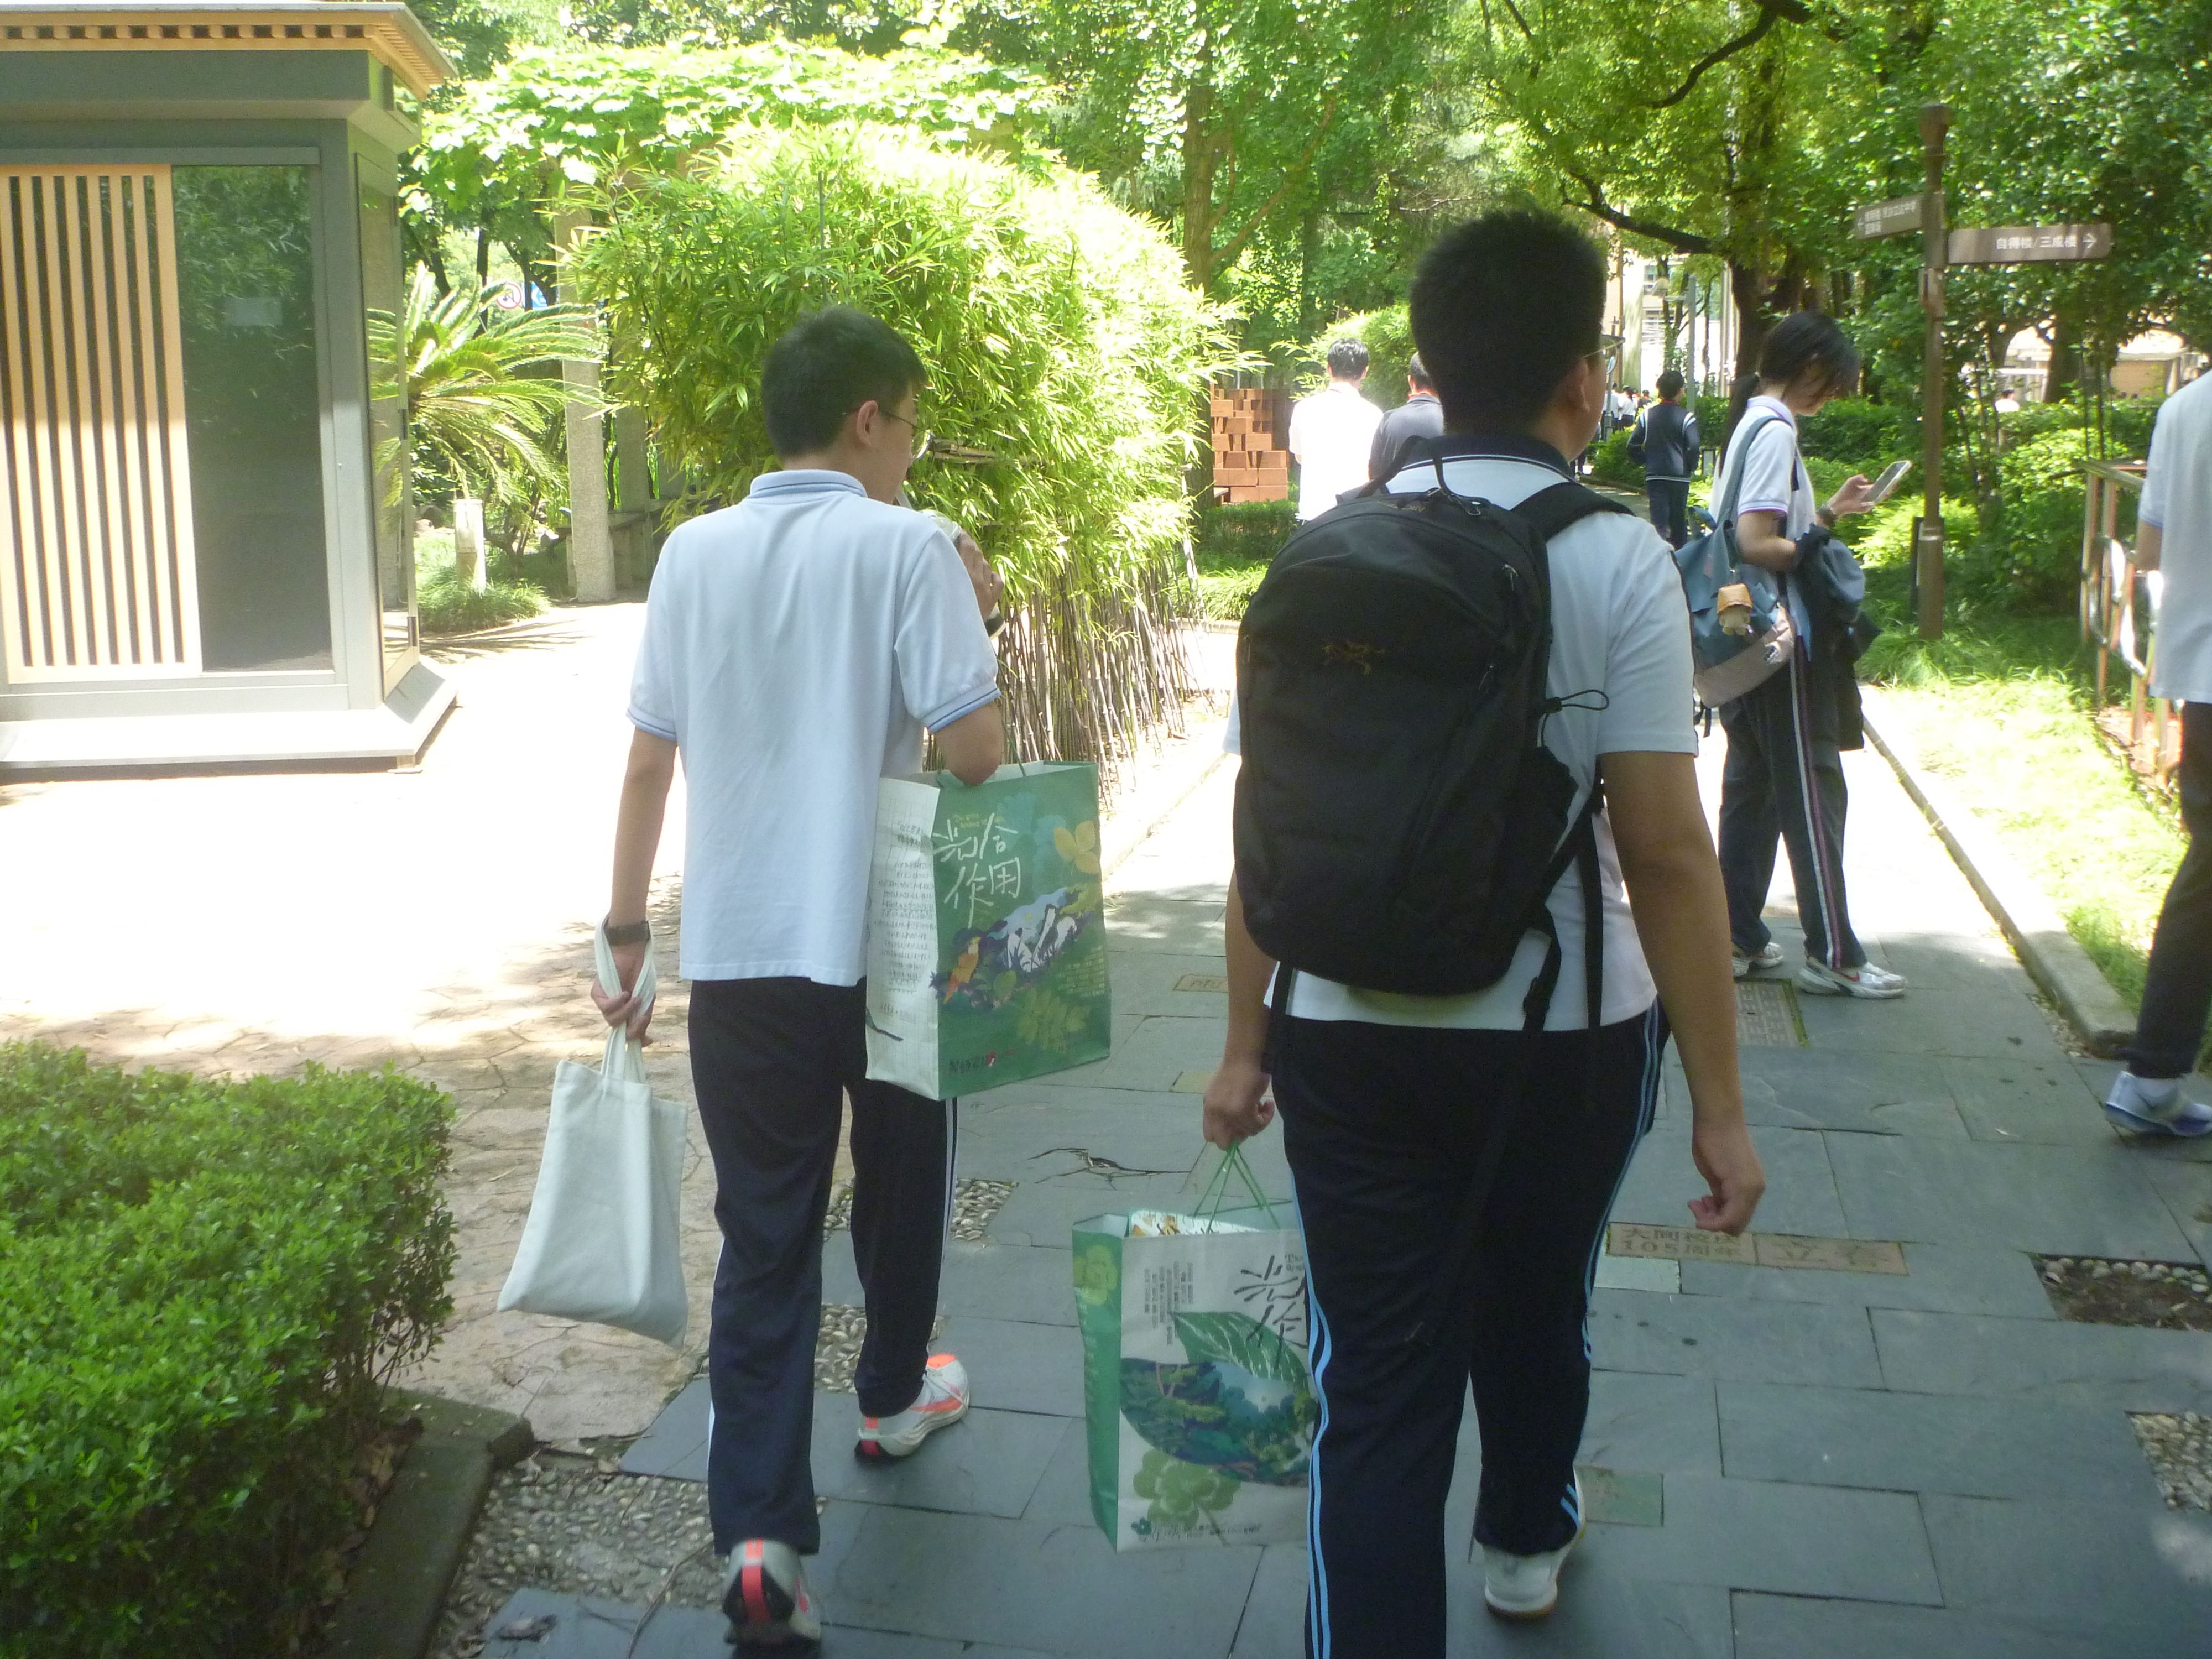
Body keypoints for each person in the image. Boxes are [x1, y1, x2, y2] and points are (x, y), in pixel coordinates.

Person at [1206, 208, 1765, 1653]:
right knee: (1537, 1304)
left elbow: (1267, 822)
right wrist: (1720, 1106)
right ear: (1583, 380)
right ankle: (1523, 1538)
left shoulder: (1324, 548)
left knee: (1374, 1392)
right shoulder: (1617, 557)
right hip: (1558, 1040)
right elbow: (1669, 855)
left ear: (1430, 372)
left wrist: (1241, 1043)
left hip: (1341, 1031)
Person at [592, 306, 1008, 1646]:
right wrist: (982, 616)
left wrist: (625, 927)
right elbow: (979, 754)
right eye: (911, 423)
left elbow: (648, 758)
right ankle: (890, 1395)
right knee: (902, 1177)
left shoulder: (691, 552)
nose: (912, 449)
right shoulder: (912, 545)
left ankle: (763, 1538)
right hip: (886, 942)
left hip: (737, 950)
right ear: (867, 418)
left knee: (765, 1235)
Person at [1713, 317, 1899, 998]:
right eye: (1834, 378)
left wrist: (1824, 517)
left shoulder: (1749, 422)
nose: (1835, 392)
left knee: (1754, 790)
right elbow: (1756, 541)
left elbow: (1750, 535)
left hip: (1740, 636)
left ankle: (1734, 934)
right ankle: (1834, 954)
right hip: (1781, 644)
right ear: (1811, 364)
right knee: (1813, 792)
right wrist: (1817, 548)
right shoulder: (1776, 430)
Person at [2101, 371, 2212, 1136]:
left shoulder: (2184, 408)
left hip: (2199, 671)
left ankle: (2154, 1074)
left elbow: (2148, 550)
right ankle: (2150, 1075)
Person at [1288, 338, 1384, 519]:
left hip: (1314, 518)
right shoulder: (1375, 415)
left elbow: (1299, 457)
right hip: (1356, 516)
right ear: (1365, 372)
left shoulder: (1303, 409)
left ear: (1329, 369)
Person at [1629, 368, 1701, 548]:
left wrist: (1647, 461)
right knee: (1678, 523)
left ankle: (1659, 557)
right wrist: (1690, 466)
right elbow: (1693, 446)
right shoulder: (1687, 417)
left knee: (1659, 524)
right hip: (1679, 477)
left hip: (1655, 476)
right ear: (1680, 391)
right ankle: (1680, 557)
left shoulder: (1647, 415)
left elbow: (1632, 446)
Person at [1368, 349, 1445, 481]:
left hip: (1399, 494)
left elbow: (1374, 475)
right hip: (1441, 493)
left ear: (1411, 381)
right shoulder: (1450, 421)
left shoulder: (1388, 420)